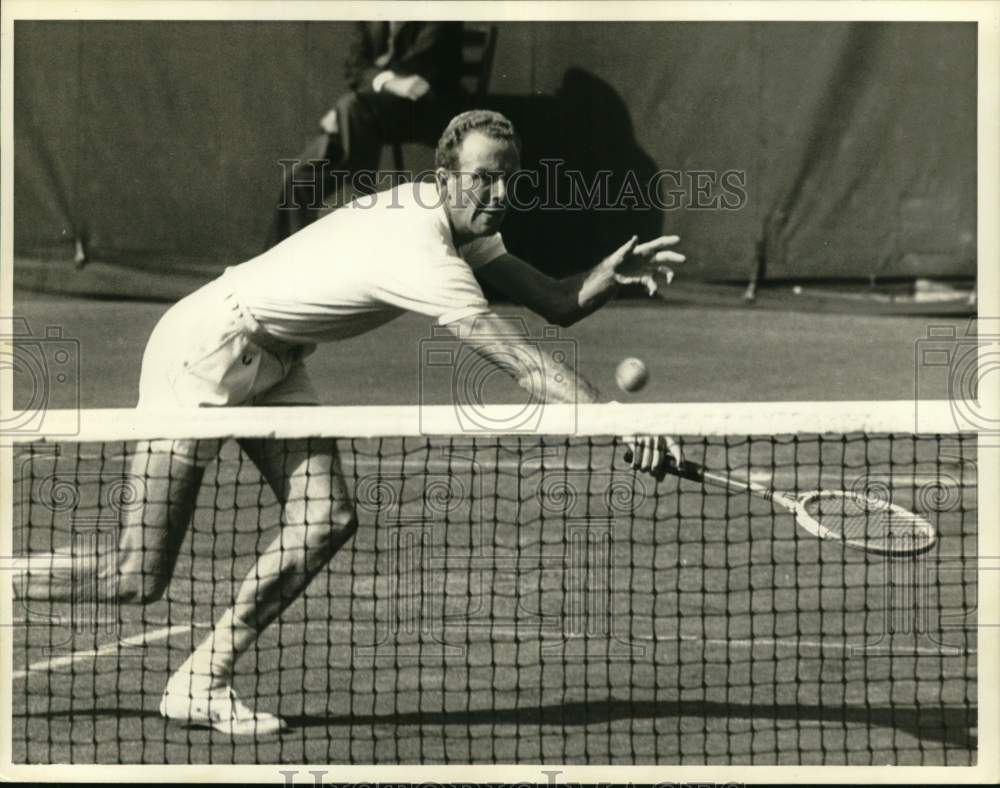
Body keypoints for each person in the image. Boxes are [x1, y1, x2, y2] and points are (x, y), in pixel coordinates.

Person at [18, 110, 685, 736]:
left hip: (275, 360)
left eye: (511, 177)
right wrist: (613, 422)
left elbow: (555, 303)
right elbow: (521, 363)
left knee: (325, 519)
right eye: (485, 176)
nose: (501, 190)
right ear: (443, 178)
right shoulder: (420, 246)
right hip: (205, 348)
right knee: (135, 575)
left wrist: (605, 279)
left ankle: (201, 680)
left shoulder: (463, 227)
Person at [269, 21, 465, 245]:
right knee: (299, 178)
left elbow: (421, 67)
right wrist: (385, 82)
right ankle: (278, 261)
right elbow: (354, 67)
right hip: (367, 114)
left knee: (351, 109)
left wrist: (350, 104)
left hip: (426, 110)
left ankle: (361, 208)